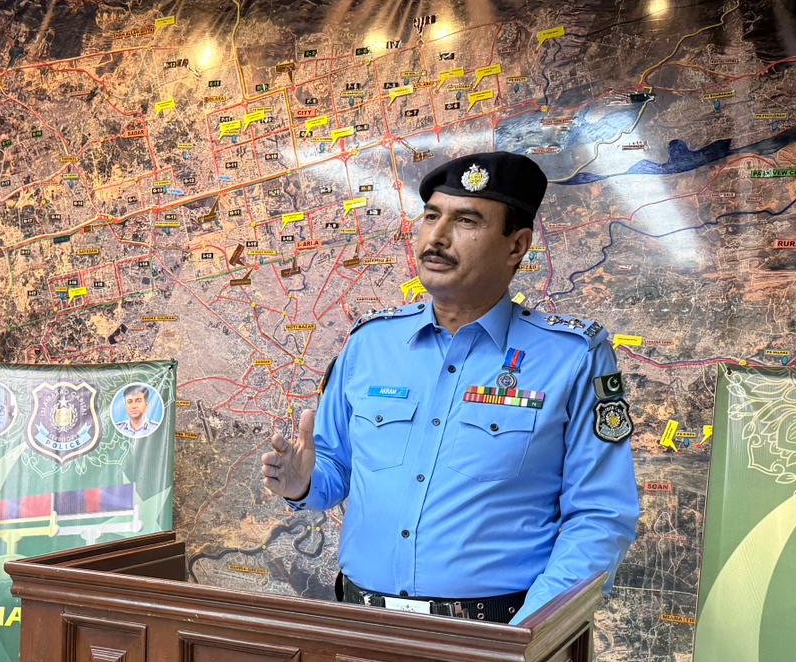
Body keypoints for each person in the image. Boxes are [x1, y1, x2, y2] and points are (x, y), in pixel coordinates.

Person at [261, 151, 639, 624]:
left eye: (466, 221)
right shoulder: (370, 343)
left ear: (517, 246)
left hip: (497, 632)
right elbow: (334, 472)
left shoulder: (573, 356)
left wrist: (528, 634)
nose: (436, 237)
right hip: (364, 626)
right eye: (431, 216)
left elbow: (600, 515)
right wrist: (302, 483)